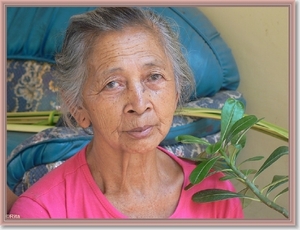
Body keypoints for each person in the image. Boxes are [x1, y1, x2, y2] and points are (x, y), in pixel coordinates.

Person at [9, 7, 244, 219]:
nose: (139, 104)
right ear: (77, 107)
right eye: (112, 84)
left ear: (176, 92)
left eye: (154, 77)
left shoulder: (215, 193)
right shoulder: (42, 213)